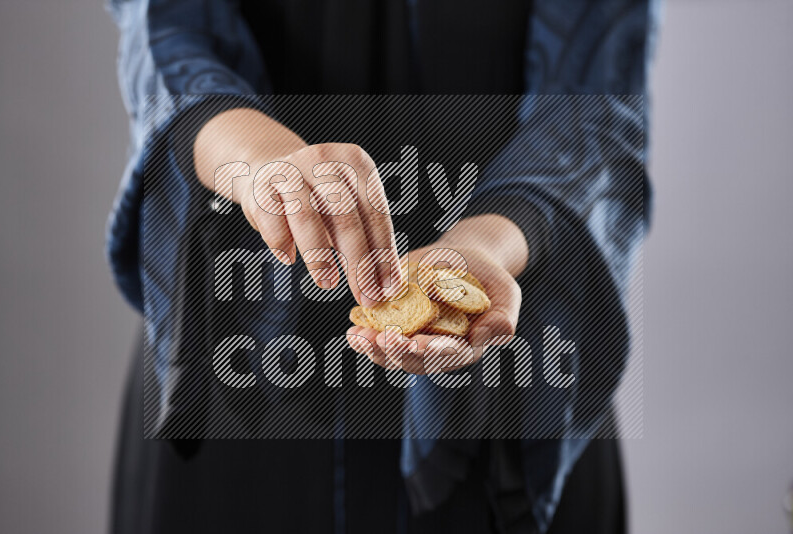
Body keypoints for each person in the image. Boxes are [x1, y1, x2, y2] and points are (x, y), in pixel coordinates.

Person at [106, 1, 656, 532]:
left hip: (512, 370)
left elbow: (593, 99)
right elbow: (167, 32)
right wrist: (258, 160)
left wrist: (488, 245)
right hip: (238, 371)